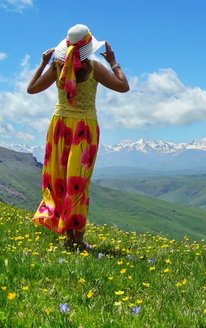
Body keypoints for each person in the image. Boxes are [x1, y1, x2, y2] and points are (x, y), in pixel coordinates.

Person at [26, 24, 129, 250]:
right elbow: (123, 87)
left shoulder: (56, 66)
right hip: (84, 128)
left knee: (60, 181)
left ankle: (67, 235)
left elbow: (31, 89)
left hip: (59, 125)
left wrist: (43, 63)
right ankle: (77, 239)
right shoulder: (95, 68)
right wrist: (113, 61)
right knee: (78, 183)